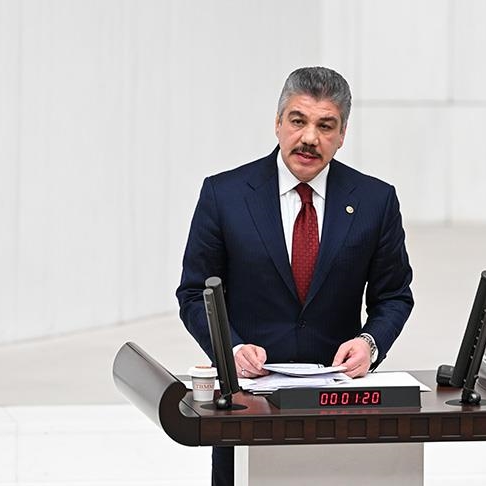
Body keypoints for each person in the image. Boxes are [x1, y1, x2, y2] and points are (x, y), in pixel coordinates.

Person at [176, 66, 414, 486]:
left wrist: (369, 343)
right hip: (246, 400)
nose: (309, 138)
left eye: (325, 126)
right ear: (278, 123)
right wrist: (230, 350)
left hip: (338, 401)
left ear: (342, 135)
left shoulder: (376, 201)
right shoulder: (224, 195)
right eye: (298, 121)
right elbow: (195, 293)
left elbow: (394, 296)